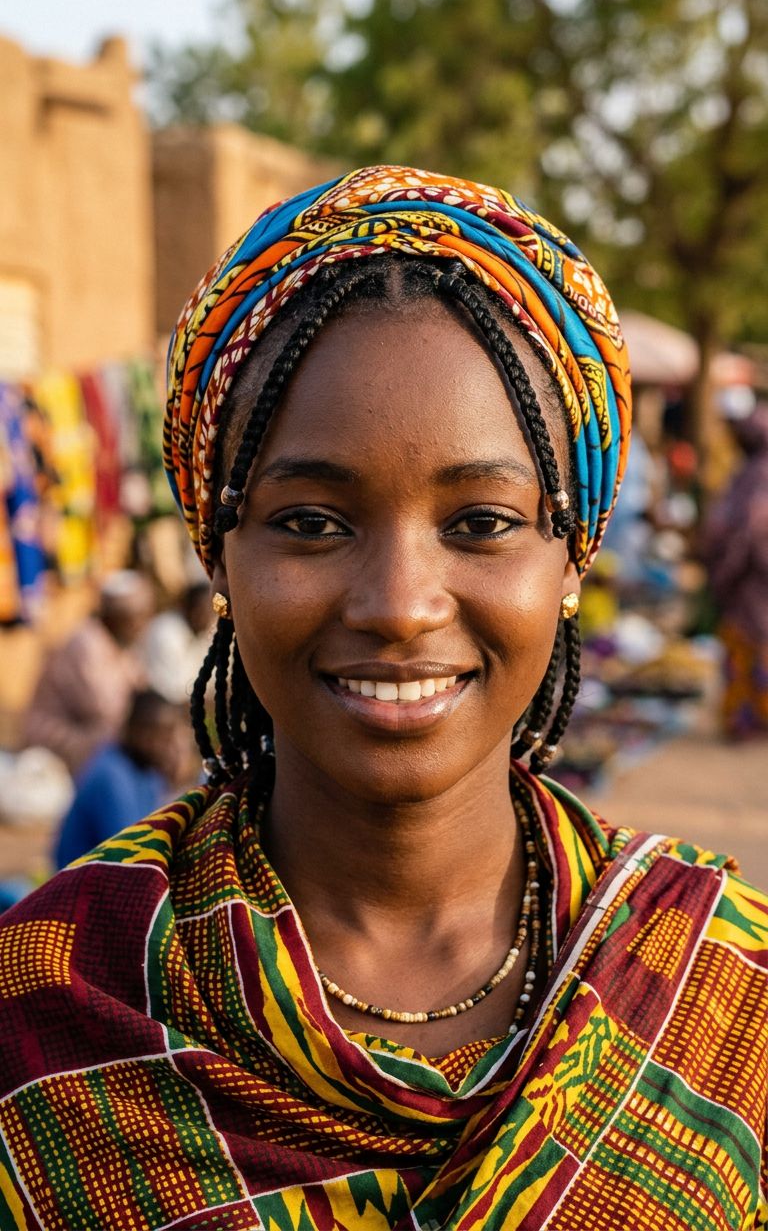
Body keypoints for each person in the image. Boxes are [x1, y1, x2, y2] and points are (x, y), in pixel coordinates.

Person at [0, 167, 765, 1230]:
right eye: (311, 523)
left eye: (481, 522)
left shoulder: (726, 993)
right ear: (218, 552)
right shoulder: (52, 1002)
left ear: (573, 553)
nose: (401, 605)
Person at [21, 569, 153, 775]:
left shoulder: (121, 643)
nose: (142, 625)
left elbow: (141, 690)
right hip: (52, 740)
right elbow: (105, 710)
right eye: (136, 618)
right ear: (113, 617)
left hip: (85, 732)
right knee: (120, 742)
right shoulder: (85, 644)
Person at [53, 688, 192, 868]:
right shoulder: (111, 775)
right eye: (159, 734)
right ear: (135, 731)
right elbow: (132, 852)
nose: (166, 745)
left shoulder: (148, 772)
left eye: (169, 735)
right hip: (82, 879)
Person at [701, 403, 768, 739]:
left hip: (750, 583)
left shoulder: (754, 477)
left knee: (747, 646)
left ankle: (745, 719)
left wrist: (724, 572)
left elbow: (746, 533)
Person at [139, 579, 213, 705]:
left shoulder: (203, 632)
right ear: (186, 607)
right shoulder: (165, 631)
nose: (205, 617)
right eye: (200, 610)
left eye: (209, 612)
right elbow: (171, 693)